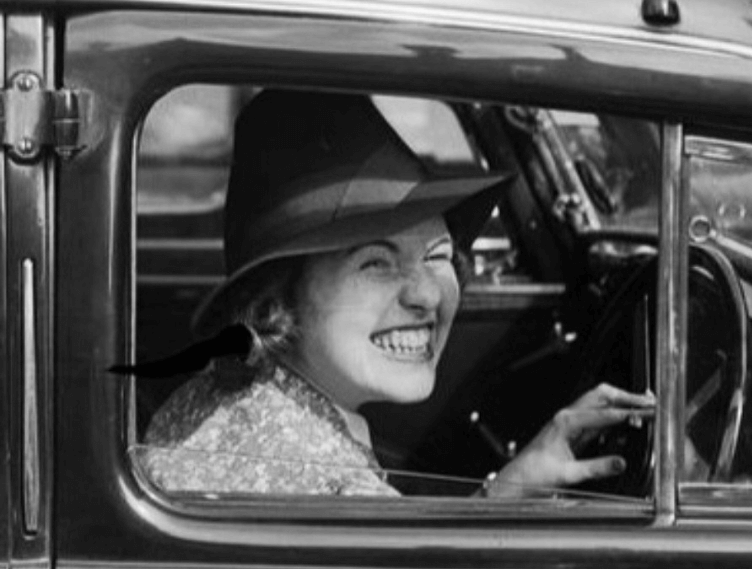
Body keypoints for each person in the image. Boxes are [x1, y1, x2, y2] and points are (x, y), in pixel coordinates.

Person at [138, 90, 656, 497]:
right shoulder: (331, 492)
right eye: (377, 263)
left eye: (438, 256)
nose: (428, 295)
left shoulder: (229, 394)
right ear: (276, 303)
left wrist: (511, 488)